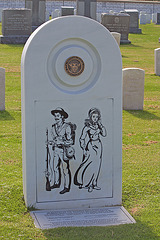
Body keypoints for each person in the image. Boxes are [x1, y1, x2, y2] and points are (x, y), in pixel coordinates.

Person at [74, 108, 107, 193]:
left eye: (96, 117)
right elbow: (82, 138)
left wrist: (101, 126)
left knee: (97, 164)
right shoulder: (87, 127)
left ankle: (94, 183)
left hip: (98, 145)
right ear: (90, 117)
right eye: (93, 116)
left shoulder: (98, 126)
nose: (95, 118)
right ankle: (86, 183)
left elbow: (104, 134)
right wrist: (84, 148)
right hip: (90, 146)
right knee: (89, 164)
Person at [49, 107, 76, 194]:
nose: (56, 117)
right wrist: (51, 142)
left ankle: (66, 187)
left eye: (58, 116)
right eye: (55, 115)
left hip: (64, 150)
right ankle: (56, 183)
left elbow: (71, 141)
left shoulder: (67, 127)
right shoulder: (53, 127)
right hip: (56, 150)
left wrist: (62, 142)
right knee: (55, 167)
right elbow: (54, 139)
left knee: (65, 169)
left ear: (62, 117)